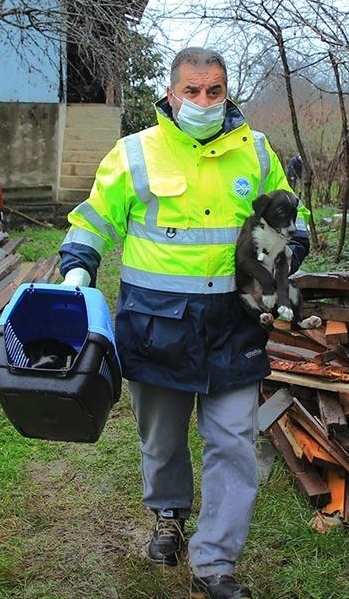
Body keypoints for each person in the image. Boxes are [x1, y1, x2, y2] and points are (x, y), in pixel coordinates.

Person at [58, 46, 310, 599]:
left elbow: (294, 214)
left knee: (234, 442)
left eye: (213, 91)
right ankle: (168, 513)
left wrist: (295, 243)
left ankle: (215, 564)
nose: (203, 101)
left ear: (226, 92)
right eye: (191, 91)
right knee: (162, 439)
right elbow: (91, 219)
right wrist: (79, 268)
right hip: (156, 327)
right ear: (171, 94)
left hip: (234, 325)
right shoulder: (135, 154)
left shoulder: (257, 153)